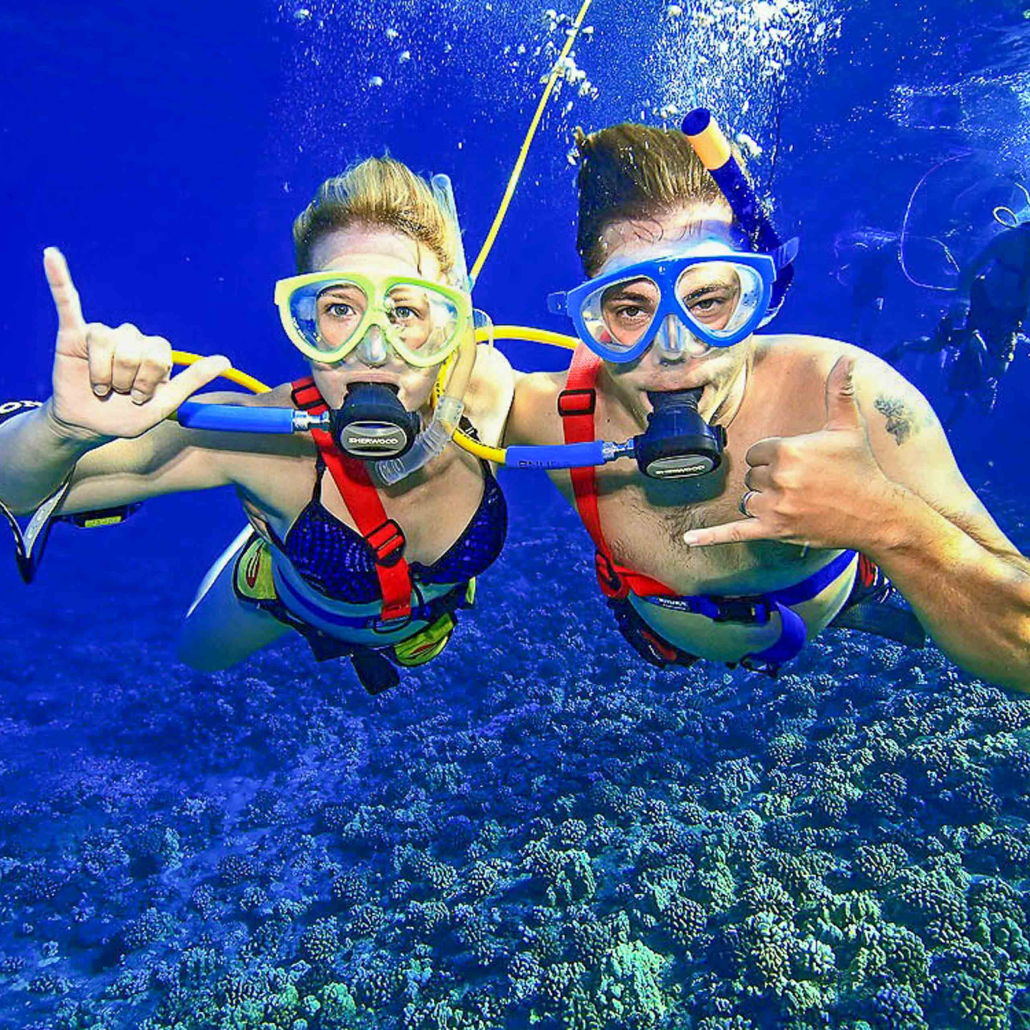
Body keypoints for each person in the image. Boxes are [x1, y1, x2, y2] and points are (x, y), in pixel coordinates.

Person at [506, 114, 1030, 692]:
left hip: (823, 596)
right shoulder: (545, 414)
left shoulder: (849, 398)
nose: (675, 349)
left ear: (758, 296)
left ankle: (864, 586)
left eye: (707, 300)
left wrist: (888, 523)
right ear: (590, 318)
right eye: (631, 310)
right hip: (664, 634)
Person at [0, 157, 514, 695]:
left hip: (422, 615)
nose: (373, 346)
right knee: (198, 657)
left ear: (449, 322)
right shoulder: (256, 439)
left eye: (403, 311)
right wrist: (59, 431)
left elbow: (597, 419)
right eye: (341, 309)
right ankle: (262, 562)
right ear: (306, 321)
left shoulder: (489, 389)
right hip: (290, 603)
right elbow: (16, 492)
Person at [886, 191, 1030, 426]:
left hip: (1008, 314)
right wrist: (962, 299)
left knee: (998, 367)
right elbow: (972, 267)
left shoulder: (1011, 240)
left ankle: (979, 381)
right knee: (937, 345)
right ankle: (904, 347)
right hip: (980, 300)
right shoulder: (1009, 239)